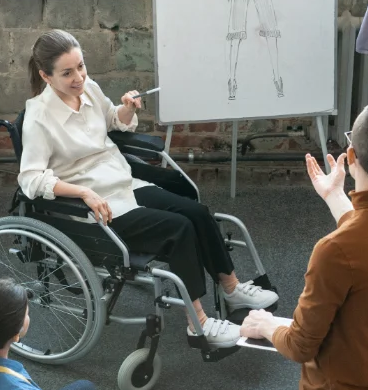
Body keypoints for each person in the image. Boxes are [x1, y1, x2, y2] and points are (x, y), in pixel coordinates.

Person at [18, 29, 278, 348]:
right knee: (178, 229)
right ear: (45, 75)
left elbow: (114, 121)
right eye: (67, 73)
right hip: (95, 206)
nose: (79, 77)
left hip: (124, 184)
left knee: (196, 212)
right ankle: (198, 324)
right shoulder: (38, 118)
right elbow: (30, 180)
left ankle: (232, 289)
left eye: (81, 67)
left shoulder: (90, 90)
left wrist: (127, 108)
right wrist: (82, 192)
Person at [240, 100, 368, 390]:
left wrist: (266, 325)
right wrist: (334, 196)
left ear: (351, 155)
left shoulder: (333, 250)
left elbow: (299, 346)